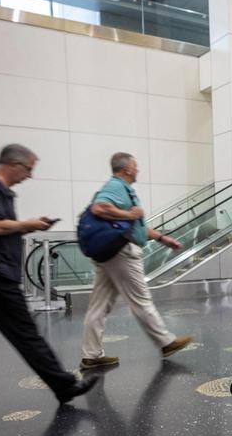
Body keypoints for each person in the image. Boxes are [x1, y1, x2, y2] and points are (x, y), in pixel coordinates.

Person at [0, 144, 97, 405]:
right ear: (13, 164)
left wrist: (26, 227)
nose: (29, 175)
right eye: (28, 169)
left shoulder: (0, 191)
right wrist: (27, 224)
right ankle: (63, 385)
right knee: (26, 334)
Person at [79, 152, 194, 370]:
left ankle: (91, 355)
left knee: (99, 305)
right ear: (126, 169)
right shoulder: (116, 186)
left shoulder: (122, 189)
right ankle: (165, 342)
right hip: (121, 253)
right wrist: (131, 214)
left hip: (109, 254)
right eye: (135, 166)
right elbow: (100, 208)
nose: (138, 169)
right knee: (140, 298)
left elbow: (135, 225)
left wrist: (162, 238)